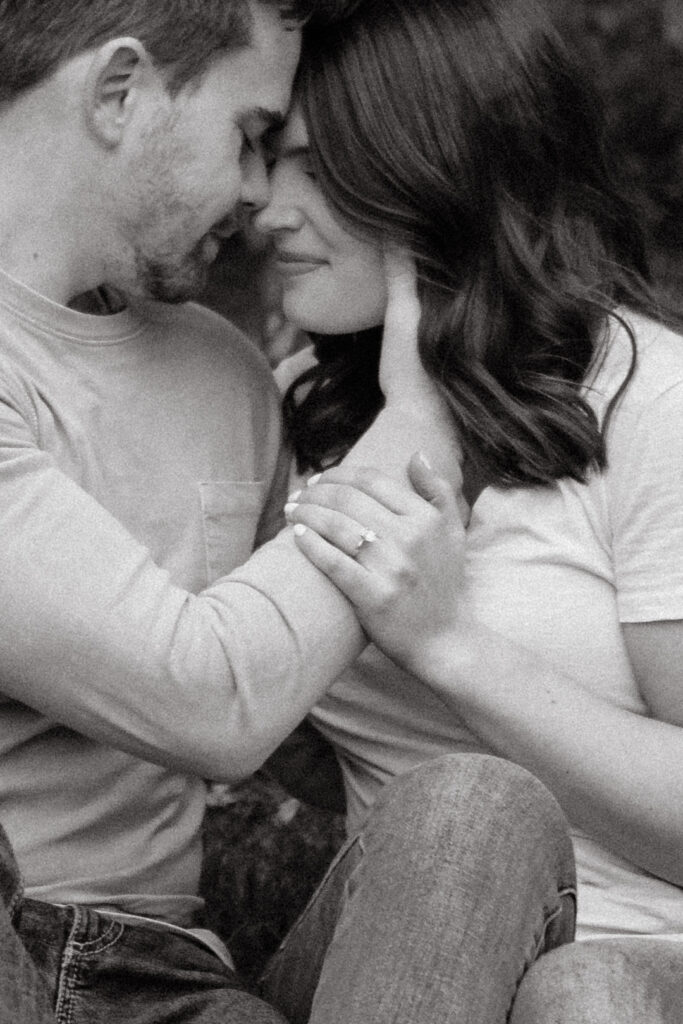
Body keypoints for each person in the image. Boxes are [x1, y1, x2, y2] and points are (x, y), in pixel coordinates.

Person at [0, 1, 489, 1022]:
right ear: (120, 93)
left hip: (156, 971)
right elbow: (209, 700)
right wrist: (417, 418)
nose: (262, 195)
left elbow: (294, 705)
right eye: (251, 136)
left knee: (472, 816)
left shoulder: (226, 377)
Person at [254, 0, 683, 1019]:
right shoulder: (292, 411)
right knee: (463, 812)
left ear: (437, 172)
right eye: (267, 159)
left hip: (642, 957)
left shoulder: (649, 400)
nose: (267, 209)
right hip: (398, 960)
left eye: (315, 168)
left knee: (583, 991)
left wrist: (448, 645)